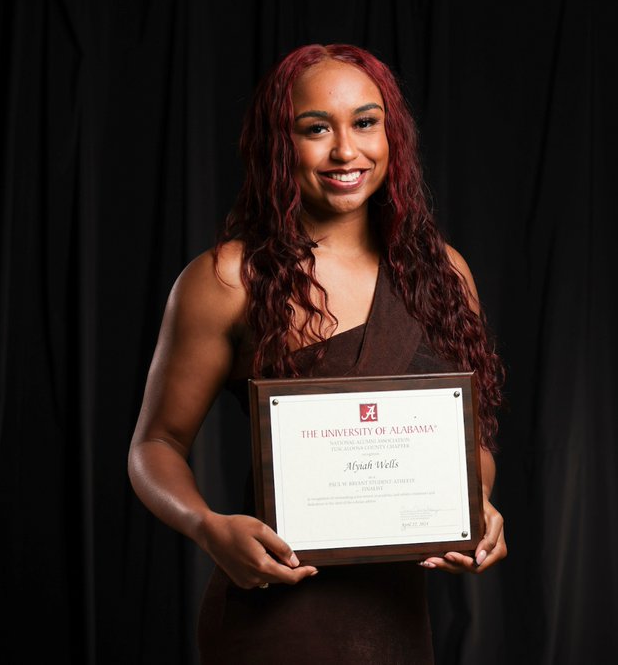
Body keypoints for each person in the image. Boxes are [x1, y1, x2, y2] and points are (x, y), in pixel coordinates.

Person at [128, 43, 506, 664]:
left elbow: (471, 445)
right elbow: (154, 447)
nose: (345, 151)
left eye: (365, 122)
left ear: (392, 135)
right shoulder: (229, 279)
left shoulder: (442, 273)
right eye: (315, 129)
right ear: (280, 143)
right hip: (273, 618)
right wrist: (208, 527)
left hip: (397, 624)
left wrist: (478, 507)